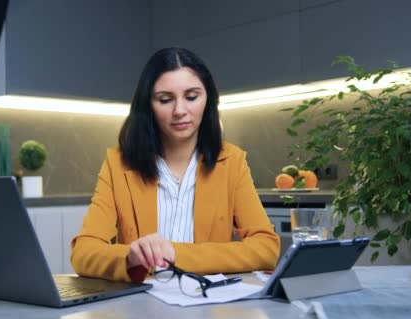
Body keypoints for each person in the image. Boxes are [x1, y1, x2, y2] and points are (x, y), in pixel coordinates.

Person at [71, 47, 280, 283]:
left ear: (207, 99)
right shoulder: (118, 165)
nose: (180, 111)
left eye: (192, 97)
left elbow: (266, 248)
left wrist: (176, 254)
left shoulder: (232, 162)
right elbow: (83, 252)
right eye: (165, 99)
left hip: (209, 304)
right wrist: (129, 257)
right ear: (148, 105)